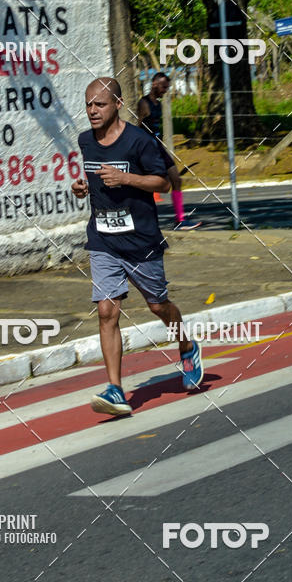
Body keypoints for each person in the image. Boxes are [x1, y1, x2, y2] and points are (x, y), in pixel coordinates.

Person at [72, 76, 203, 417]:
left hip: (141, 239)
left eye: (99, 104)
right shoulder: (86, 141)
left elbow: (163, 180)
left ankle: (187, 347)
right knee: (106, 311)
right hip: (102, 238)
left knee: (158, 307)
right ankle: (116, 390)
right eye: (88, 104)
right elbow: (94, 177)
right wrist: (83, 188)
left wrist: (126, 178)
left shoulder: (139, 141)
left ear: (117, 104)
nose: (92, 111)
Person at [137, 72, 201, 230]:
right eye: (164, 87)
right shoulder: (144, 103)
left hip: (158, 147)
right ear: (154, 84)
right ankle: (142, 220)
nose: (166, 90)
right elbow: (137, 127)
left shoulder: (158, 105)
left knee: (176, 179)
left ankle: (180, 220)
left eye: (167, 87)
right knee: (152, 184)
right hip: (147, 149)